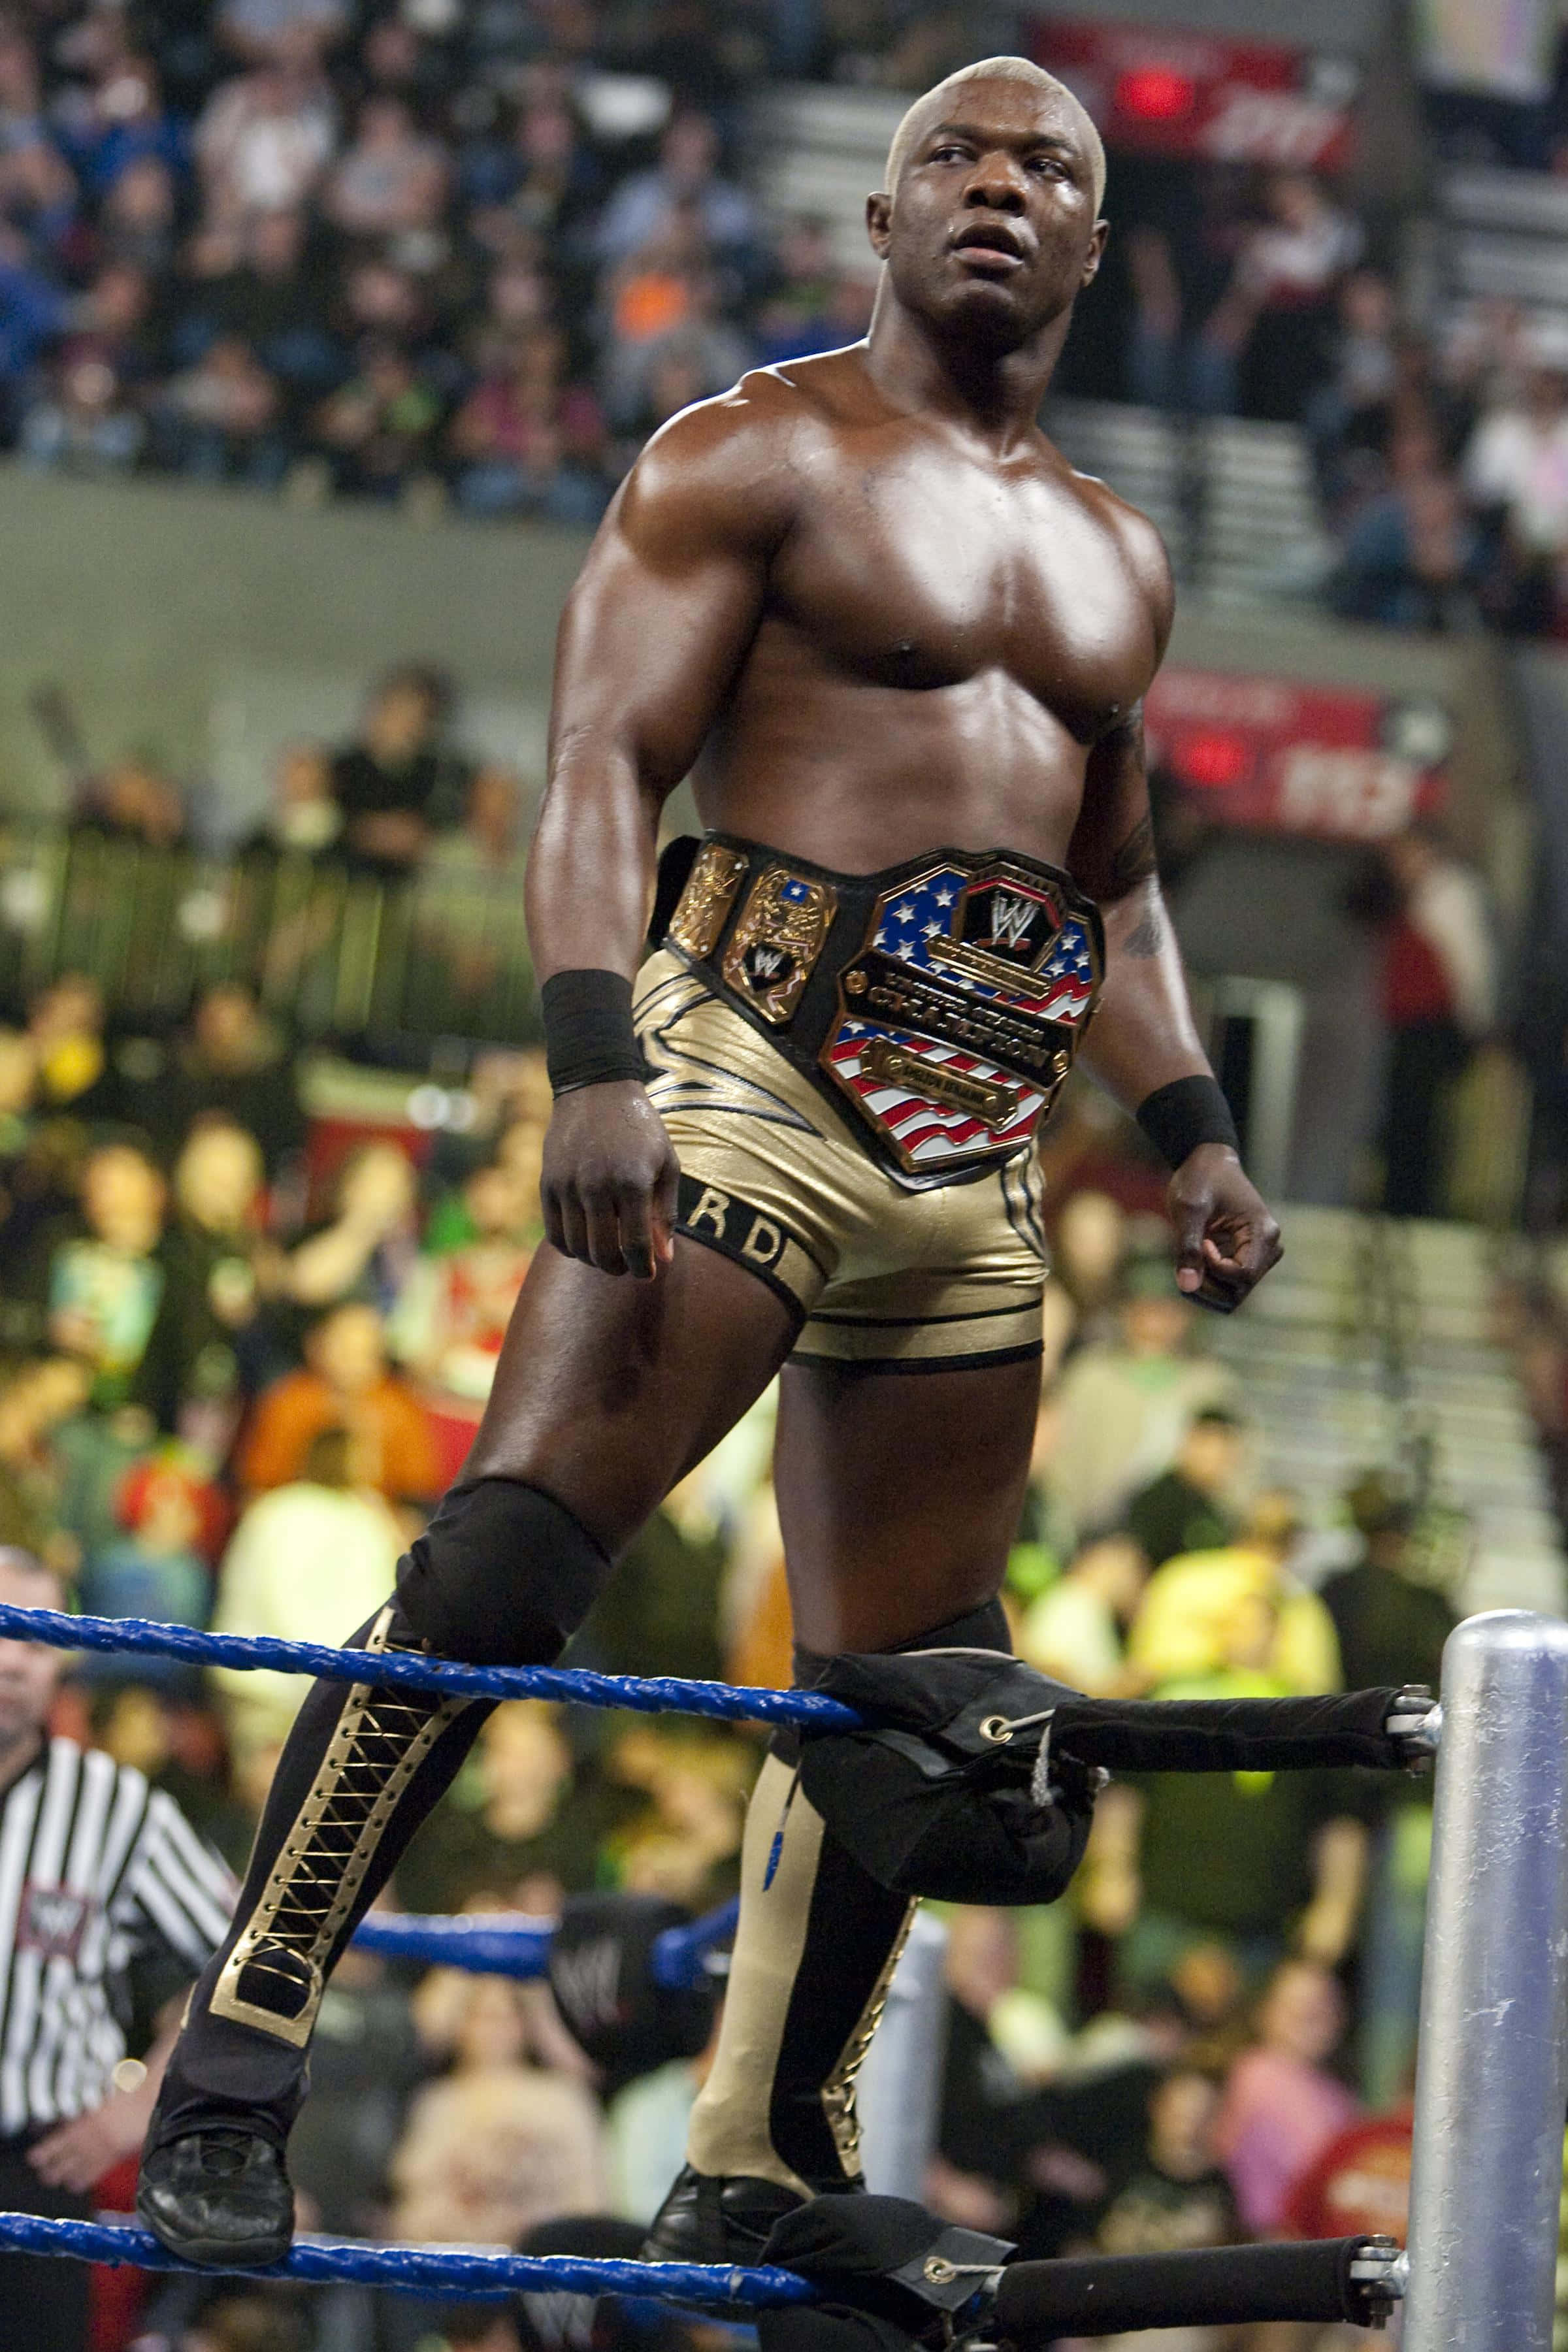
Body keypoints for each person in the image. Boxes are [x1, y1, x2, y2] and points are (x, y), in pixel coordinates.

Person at [138, 56, 1281, 2272]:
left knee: (916, 1690)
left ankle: (760, 2152)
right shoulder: (751, 452)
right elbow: (604, 757)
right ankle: (244, 2047)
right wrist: (593, 1060)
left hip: (980, 1153)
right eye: (953, 155)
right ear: (880, 216)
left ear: (1095, 243)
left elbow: (1117, 888)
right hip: (745, 1066)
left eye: (1045, 165)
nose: (997, 185)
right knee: (506, 1564)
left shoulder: (1121, 552)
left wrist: (1199, 1132)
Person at [0, 1546, 235, 2352]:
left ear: (65, 1661)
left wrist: (139, 2104)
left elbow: (239, 1963)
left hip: (38, 2167)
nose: (13, 1661)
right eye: (2, 1630)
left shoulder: (116, 1808)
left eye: (37, 1640)